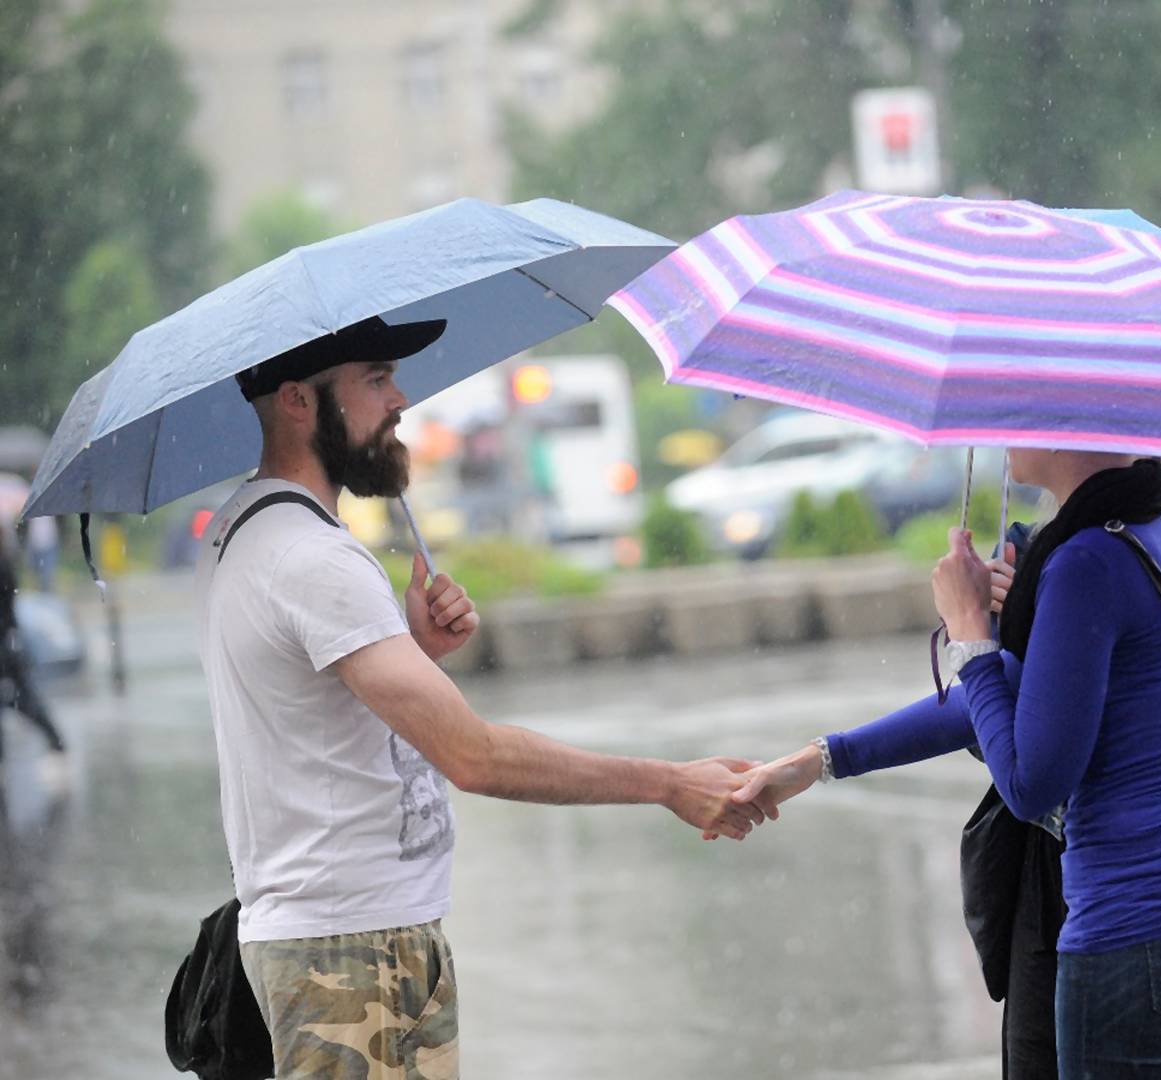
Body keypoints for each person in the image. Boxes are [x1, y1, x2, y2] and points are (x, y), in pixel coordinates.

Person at [199, 315, 765, 1078]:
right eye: (373, 379)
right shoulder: (310, 558)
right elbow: (474, 757)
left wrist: (417, 653)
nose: (398, 398)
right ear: (298, 402)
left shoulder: (253, 532)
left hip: (346, 938)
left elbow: (321, 724)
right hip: (351, 953)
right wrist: (668, 783)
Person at [734, 458, 1161, 1079]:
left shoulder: (1087, 563)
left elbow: (1032, 783)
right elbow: (1027, 692)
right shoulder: (1153, 530)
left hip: (1138, 911)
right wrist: (823, 758)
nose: (1006, 433)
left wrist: (971, 635)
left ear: (1063, 416)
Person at [0, 528, 66, 778]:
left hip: (5, 647)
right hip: (8, 644)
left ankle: (56, 743)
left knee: (23, 699)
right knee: (22, 699)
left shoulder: (3, 564)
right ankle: (56, 742)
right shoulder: (5, 561)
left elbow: (7, 610)